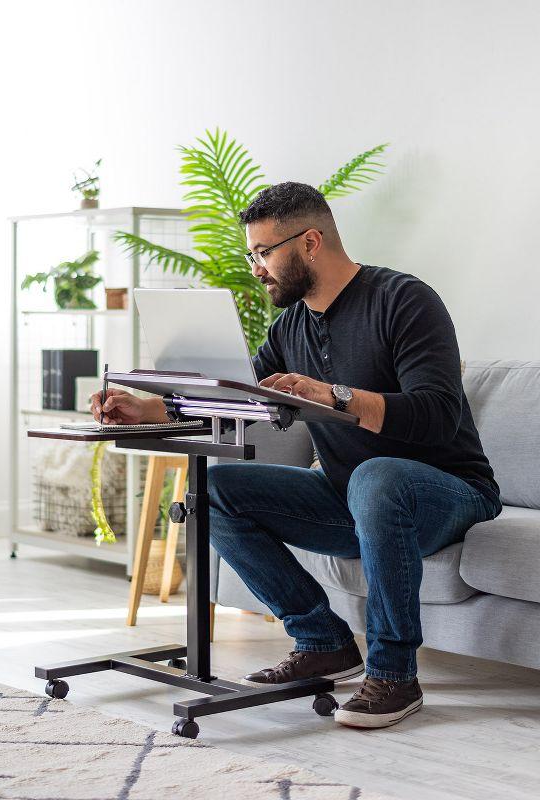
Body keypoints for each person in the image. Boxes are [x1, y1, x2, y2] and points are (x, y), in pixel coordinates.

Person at [89, 182, 501, 729]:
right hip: (351, 499)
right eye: (251, 254)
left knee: (378, 478)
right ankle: (324, 642)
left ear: (310, 242)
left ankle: (395, 675)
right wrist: (148, 410)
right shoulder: (289, 327)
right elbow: (234, 399)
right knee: (213, 491)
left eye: (263, 252)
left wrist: (337, 396)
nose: (256, 268)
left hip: (445, 494)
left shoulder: (404, 300)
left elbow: (437, 413)